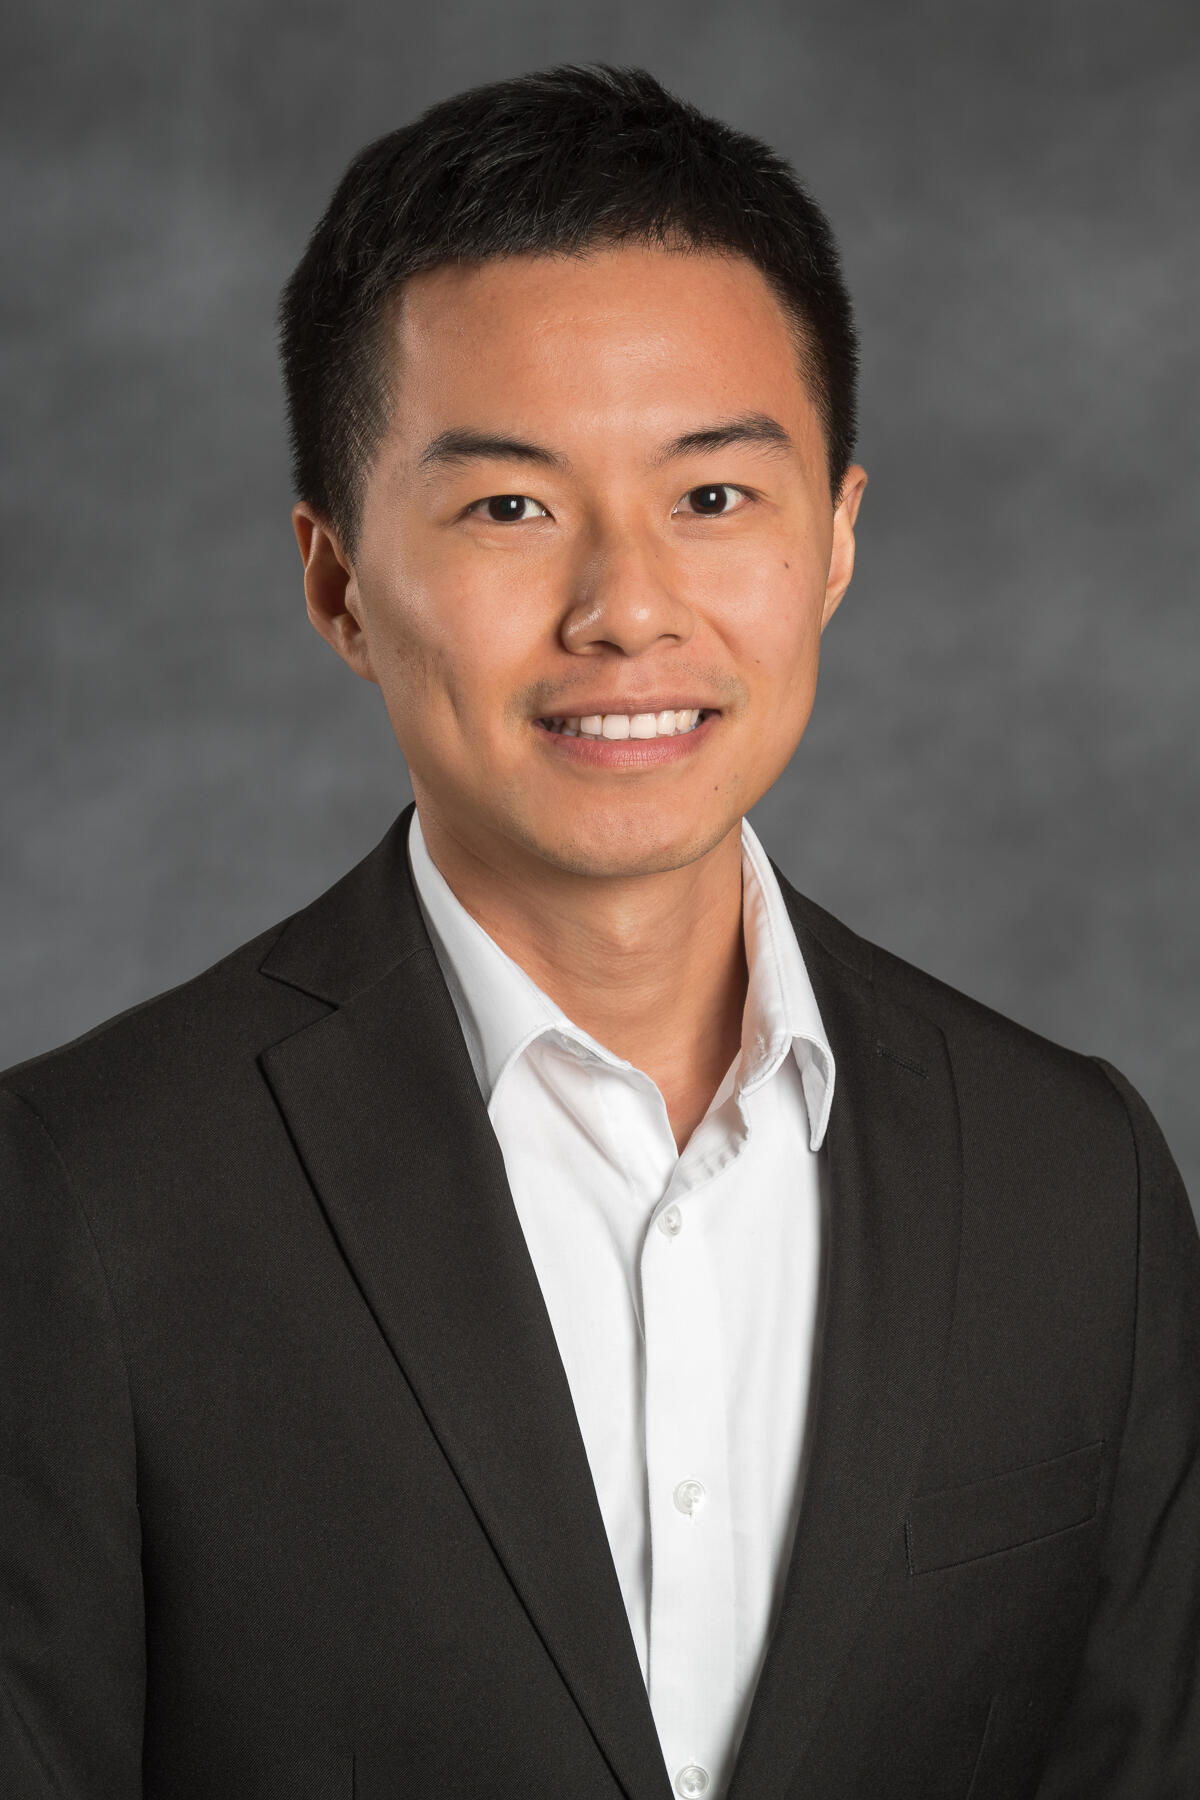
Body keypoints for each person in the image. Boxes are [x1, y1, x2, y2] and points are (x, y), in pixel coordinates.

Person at [1, 63, 1196, 1800]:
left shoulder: (1073, 1183)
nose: (627, 607)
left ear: (839, 538)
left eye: (714, 497)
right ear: (337, 580)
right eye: (509, 506)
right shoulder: (80, 1201)